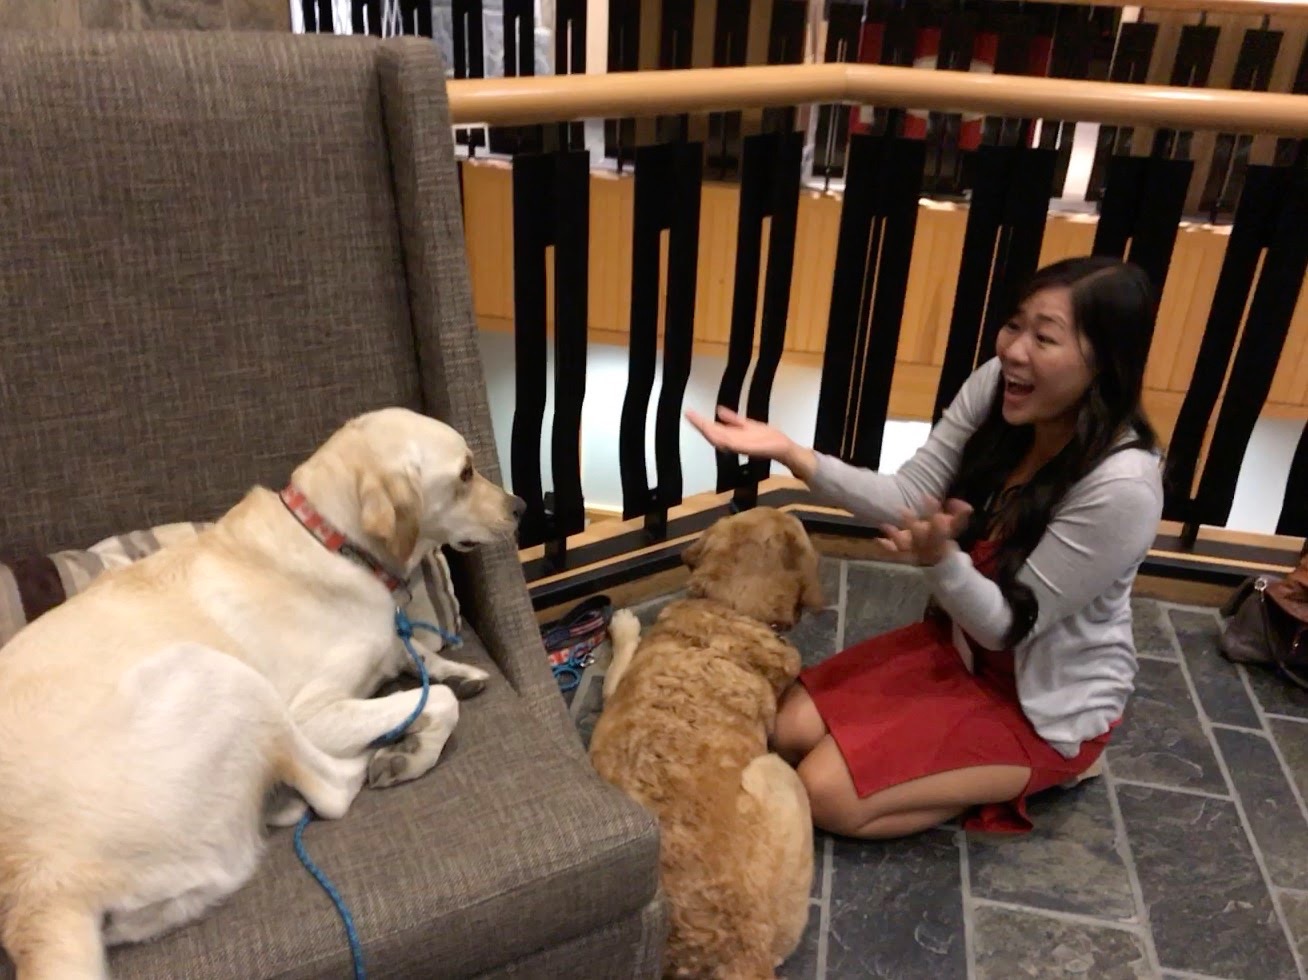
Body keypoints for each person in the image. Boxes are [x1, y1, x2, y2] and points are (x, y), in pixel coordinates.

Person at [685, 256, 1165, 838]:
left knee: (824, 794)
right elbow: (909, 496)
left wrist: (941, 561)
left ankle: (1042, 772)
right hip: (958, 648)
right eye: (1014, 325)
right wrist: (793, 455)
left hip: (1040, 705)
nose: (1014, 351)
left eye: (1044, 338)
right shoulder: (998, 386)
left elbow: (1006, 627)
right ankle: (943, 767)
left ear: (1103, 363)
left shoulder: (1124, 487)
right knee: (785, 729)